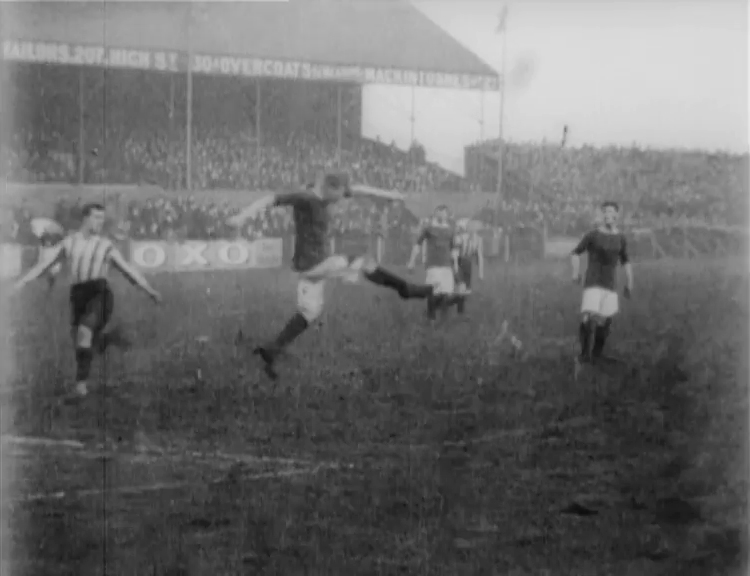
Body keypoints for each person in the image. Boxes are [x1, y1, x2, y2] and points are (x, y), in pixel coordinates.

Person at [228, 172, 434, 380]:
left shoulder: (325, 194)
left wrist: (391, 195)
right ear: (329, 187)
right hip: (315, 264)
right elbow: (270, 199)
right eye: (339, 195)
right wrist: (241, 218)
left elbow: (360, 190)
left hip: (310, 270)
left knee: (310, 311)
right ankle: (405, 289)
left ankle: (272, 350)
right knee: (363, 261)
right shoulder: (306, 197)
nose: (340, 201)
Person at [13, 203, 162, 398]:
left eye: (102, 218)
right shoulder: (69, 243)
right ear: (85, 218)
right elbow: (44, 265)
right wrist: (21, 282)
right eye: (96, 218)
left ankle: (80, 386)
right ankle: (107, 340)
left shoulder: (105, 245)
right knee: (82, 341)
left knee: (84, 332)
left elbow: (128, 270)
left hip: (99, 293)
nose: (100, 222)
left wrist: (149, 290)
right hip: (78, 295)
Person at [571, 201, 633, 363]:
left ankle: (597, 355)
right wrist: (575, 272)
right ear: (601, 215)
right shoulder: (593, 235)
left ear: (617, 215)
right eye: (604, 212)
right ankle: (584, 355)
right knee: (590, 317)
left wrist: (630, 282)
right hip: (593, 281)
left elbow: (625, 260)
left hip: (610, 283)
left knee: (605, 320)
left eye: (611, 212)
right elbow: (576, 253)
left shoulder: (620, 238)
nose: (607, 215)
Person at [407, 205, 459, 320]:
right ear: (435, 213)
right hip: (433, 265)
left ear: (447, 215)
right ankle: (431, 318)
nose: (442, 215)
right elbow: (417, 245)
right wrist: (411, 261)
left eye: (444, 212)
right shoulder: (428, 228)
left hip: (446, 265)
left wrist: (455, 265)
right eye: (439, 212)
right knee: (433, 292)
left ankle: (444, 320)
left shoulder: (450, 230)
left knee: (446, 293)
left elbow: (454, 249)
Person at [453, 218, 484, 314]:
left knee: (467, 290)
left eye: (474, 229)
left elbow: (479, 256)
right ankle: (459, 311)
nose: (472, 230)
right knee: (460, 287)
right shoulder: (461, 237)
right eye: (470, 228)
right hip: (460, 261)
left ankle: (461, 310)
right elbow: (455, 253)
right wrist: (455, 266)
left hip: (468, 263)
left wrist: (481, 272)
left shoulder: (478, 239)